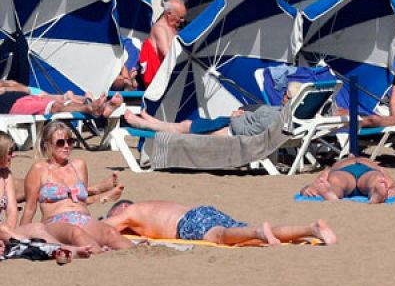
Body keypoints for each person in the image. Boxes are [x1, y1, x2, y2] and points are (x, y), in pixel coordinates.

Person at [21, 121, 129, 251]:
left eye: (70, 141)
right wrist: (19, 238)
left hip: (83, 218)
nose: (66, 146)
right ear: (47, 144)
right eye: (60, 142)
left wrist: (100, 197)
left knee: (110, 233)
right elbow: (29, 208)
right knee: (77, 234)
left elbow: (82, 201)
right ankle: (99, 256)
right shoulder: (39, 169)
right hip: (55, 222)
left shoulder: (79, 165)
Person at [103, 199, 335, 246]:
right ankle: (311, 229)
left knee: (222, 237)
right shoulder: (154, 204)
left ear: (122, 208)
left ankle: (259, 232)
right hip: (203, 210)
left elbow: (105, 228)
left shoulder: (130, 211)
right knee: (245, 235)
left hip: (186, 223)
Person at [123, 103, 280, 137]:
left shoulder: (274, 116)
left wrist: (234, 118)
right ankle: (152, 122)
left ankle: (144, 124)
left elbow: (246, 131)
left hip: (229, 131)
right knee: (184, 125)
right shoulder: (279, 112)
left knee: (184, 129)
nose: (283, 95)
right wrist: (243, 112)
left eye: (287, 94)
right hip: (228, 125)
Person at [298, 157, 395, 204]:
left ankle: (376, 194)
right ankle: (331, 193)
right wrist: (307, 189)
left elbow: (393, 183)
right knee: (335, 180)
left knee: (377, 179)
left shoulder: (377, 167)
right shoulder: (334, 166)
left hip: (366, 171)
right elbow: (318, 183)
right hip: (347, 171)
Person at [138, 0, 188, 87]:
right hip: (159, 82)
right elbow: (168, 55)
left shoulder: (172, 28)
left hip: (170, 77)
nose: (183, 20)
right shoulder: (159, 29)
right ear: (169, 14)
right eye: (180, 17)